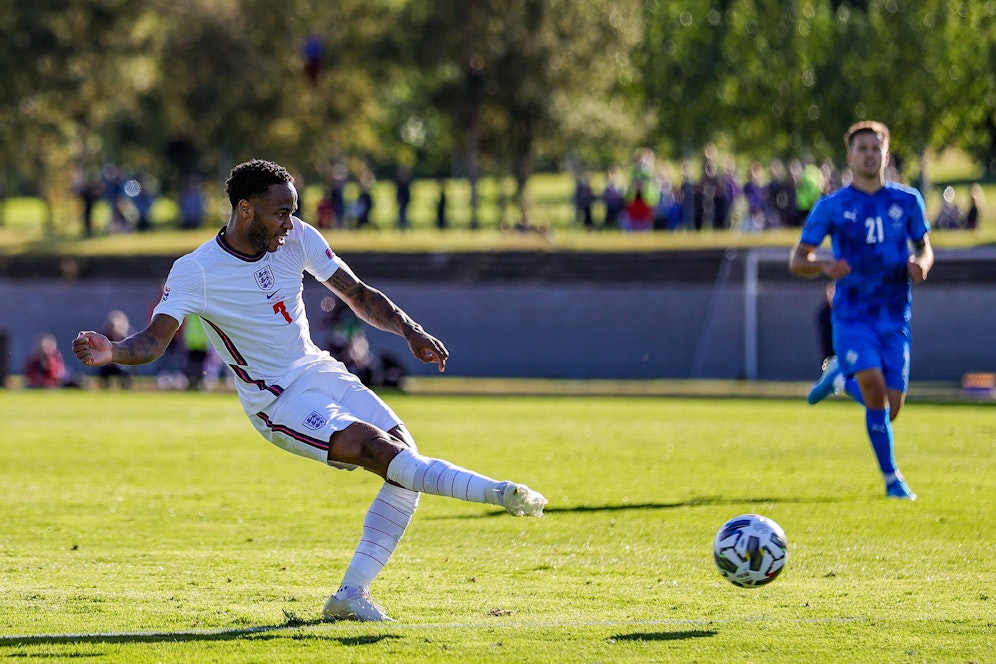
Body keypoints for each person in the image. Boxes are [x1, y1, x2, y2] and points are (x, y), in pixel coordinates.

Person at [72, 158, 546, 622]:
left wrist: (410, 330)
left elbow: (357, 294)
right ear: (245, 210)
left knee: (406, 458)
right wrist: (112, 352)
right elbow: (153, 341)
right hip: (277, 401)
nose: (290, 221)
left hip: (320, 370)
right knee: (380, 451)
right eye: (281, 211)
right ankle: (500, 492)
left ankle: (350, 595)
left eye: (293, 210)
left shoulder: (296, 237)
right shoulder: (196, 270)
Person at [789, 121, 933, 501]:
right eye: (862, 148)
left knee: (891, 407)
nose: (869, 154)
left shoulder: (907, 201)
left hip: (894, 314)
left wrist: (922, 263)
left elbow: (925, 247)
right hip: (852, 314)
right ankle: (892, 481)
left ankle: (838, 379)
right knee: (873, 389)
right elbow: (797, 259)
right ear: (850, 157)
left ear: (886, 155)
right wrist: (823, 266)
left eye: (875, 148)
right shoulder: (833, 206)